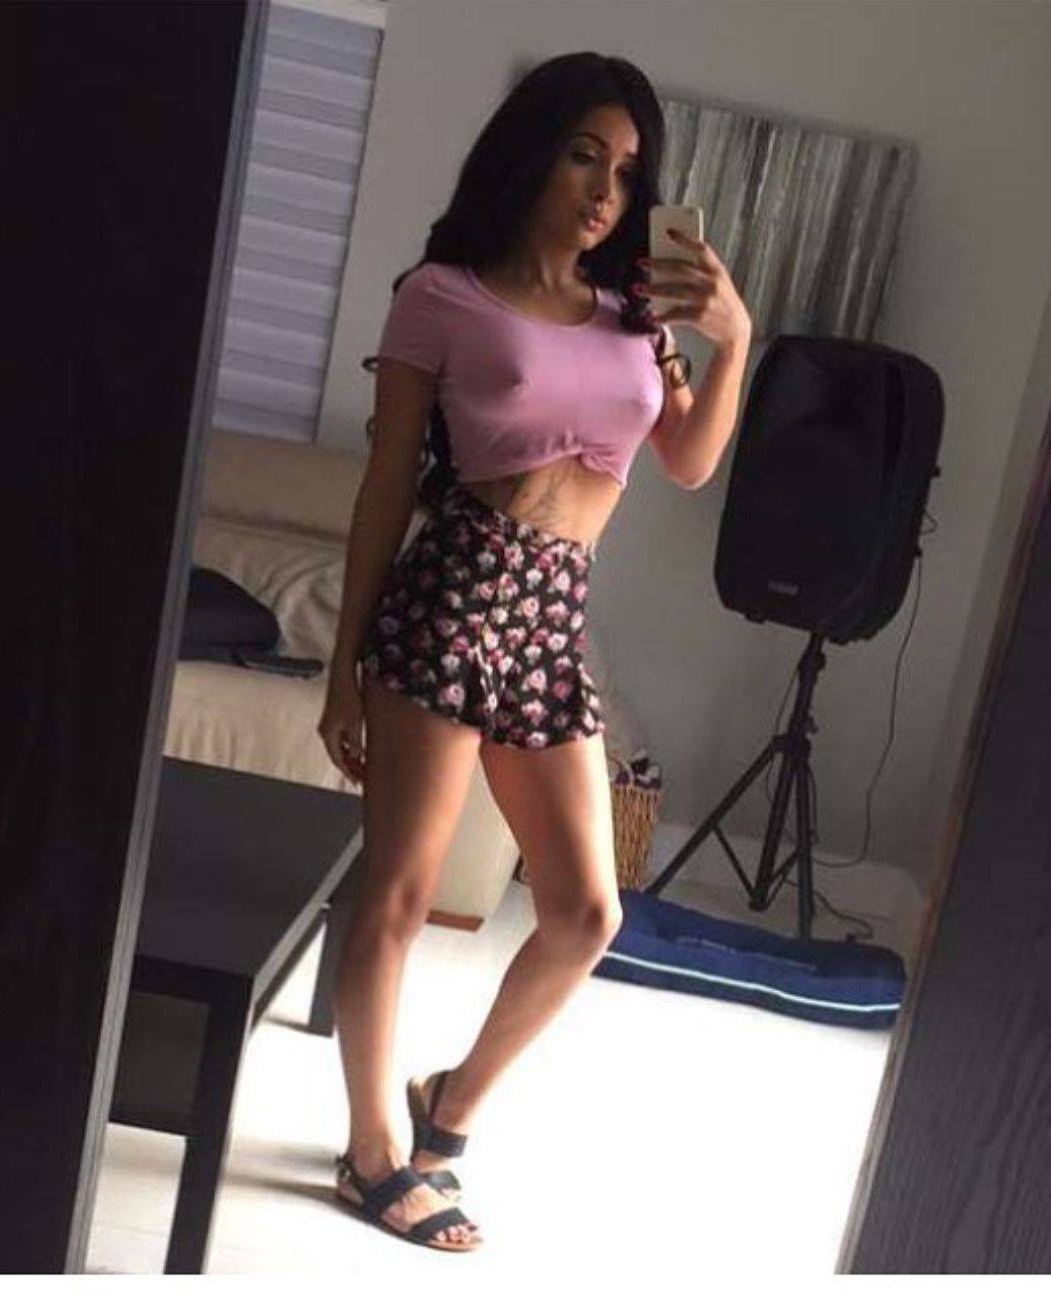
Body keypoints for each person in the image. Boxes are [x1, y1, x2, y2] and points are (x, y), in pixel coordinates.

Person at [317, 50, 753, 1252]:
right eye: (582, 156)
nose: (607, 191)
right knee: (399, 895)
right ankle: (370, 1154)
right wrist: (345, 663)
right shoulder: (443, 294)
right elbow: (385, 486)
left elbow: (689, 462)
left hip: (556, 616)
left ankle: (446, 1110)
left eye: (627, 170)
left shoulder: (637, 319)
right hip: (452, 595)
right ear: (530, 155)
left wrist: (733, 339)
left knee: (584, 912)